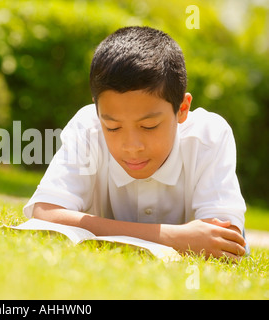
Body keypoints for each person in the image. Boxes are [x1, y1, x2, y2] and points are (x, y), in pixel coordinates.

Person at [23, 26, 248, 260]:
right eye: (113, 127)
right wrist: (175, 237)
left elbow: (226, 243)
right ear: (97, 110)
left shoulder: (209, 135)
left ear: (182, 109)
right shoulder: (87, 128)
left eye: (149, 126)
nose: (131, 146)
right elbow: (44, 215)